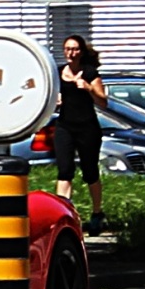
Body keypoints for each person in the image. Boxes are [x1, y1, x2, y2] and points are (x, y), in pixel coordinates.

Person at [54, 34, 109, 236]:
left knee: (89, 170)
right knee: (65, 170)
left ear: (81, 52)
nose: (71, 53)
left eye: (75, 49)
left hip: (87, 127)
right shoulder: (58, 73)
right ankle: (63, 215)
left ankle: (96, 213)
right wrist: (55, 101)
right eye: (68, 49)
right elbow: (47, 96)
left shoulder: (90, 73)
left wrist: (88, 89)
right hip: (65, 126)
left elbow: (103, 101)